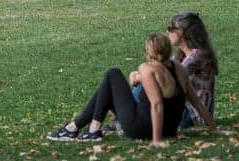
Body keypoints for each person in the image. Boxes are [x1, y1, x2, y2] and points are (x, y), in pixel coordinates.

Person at [46, 32, 216, 144]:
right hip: (170, 129)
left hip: (141, 128)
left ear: (148, 52)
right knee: (109, 88)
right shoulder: (179, 69)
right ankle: (82, 128)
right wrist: (214, 128)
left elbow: (157, 104)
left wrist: (156, 140)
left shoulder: (147, 69)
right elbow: (196, 102)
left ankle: (84, 129)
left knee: (113, 74)